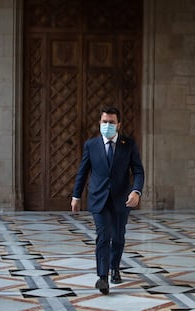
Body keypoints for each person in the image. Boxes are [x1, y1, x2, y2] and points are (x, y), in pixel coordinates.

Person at [71, 107, 145, 295]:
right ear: (99, 123)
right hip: (98, 198)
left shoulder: (128, 144)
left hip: (122, 199)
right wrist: (76, 196)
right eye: (104, 122)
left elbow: (138, 170)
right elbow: (83, 171)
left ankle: (115, 267)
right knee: (103, 236)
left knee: (118, 237)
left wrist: (136, 191)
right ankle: (102, 277)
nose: (107, 125)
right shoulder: (91, 145)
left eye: (111, 122)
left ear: (118, 124)